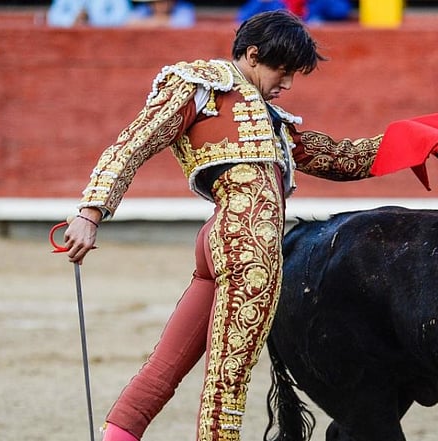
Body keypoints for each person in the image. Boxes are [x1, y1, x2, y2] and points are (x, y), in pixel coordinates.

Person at [62, 10, 381, 441]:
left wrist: (425, 139)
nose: (287, 84)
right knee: (227, 380)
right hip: (248, 246)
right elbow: (135, 142)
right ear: (253, 55)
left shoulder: (271, 119)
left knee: (166, 366)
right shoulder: (200, 84)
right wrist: (90, 212)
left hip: (220, 241)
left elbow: (341, 159)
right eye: (282, 70)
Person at [47, 0, 131, 27]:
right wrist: (73, 20)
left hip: (105, 43)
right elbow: (53, 17)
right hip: (71, 43)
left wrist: (92, 19)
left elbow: (124, 18)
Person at [126, 0, 196, 28]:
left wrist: (154, 21)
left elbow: (183, 23)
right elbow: (129, 22)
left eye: (164, 1)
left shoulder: (183, 8)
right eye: (158, 2)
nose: (162, 5)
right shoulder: (144, 8)